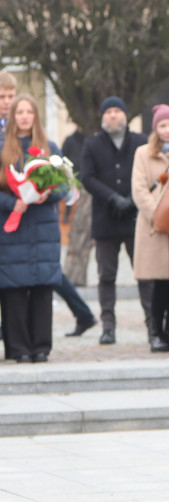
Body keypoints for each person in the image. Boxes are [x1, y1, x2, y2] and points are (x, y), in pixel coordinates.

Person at [0, 94, 67, 362]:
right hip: (12, 226)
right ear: (13, 117)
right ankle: (18, 349)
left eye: (29, 112)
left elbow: (64, 184)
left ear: (35, 117)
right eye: (20, 112)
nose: (25, 116)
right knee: (14, 288)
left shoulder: (49, 148)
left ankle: (41, 347)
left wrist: (45, 195)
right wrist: (11, 203)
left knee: (42, 286)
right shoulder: (3, 148)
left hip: (43, 228)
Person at [79, 95, 149, 345]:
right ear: (102, 117)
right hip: (105, 220)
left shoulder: (141, 141)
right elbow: (87, 177)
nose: (113, 116)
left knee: (143, 274)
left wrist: (131, 198)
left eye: (118, 111)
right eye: (108, 112)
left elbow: (150, 173)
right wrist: (112, 198)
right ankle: (108, 326)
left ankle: (152, 325)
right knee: (106, 276)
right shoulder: (92, 144)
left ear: (125, 115)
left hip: (134, 218)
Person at [132, 104, 169, 352]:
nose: (167, 130)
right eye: (162, 125)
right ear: (155, 128)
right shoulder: (143, 153)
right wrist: (157, 214)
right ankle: (154, 332)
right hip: (154, 228)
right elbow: (139, 189)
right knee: (156, 287)